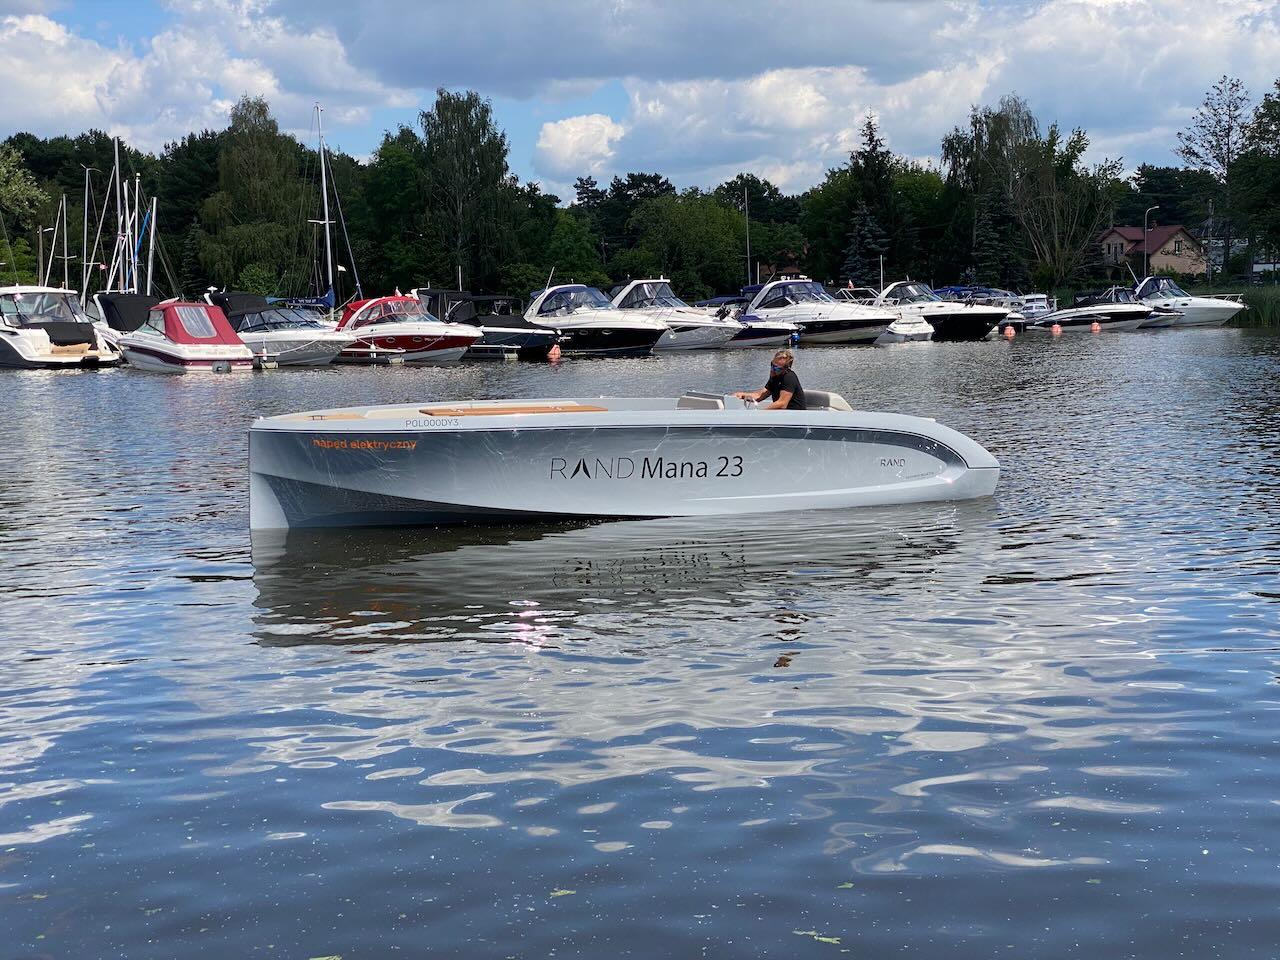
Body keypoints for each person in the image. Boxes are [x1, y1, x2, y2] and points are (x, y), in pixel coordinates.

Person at [734, 349, 806, 410]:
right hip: (782, 415)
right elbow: (759, 395)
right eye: (772, 365)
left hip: (794, 416)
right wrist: (741, 395)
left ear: (785, 369)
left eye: (777, 369)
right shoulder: (775, 377)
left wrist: (761, 414)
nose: (773, 370)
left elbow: (782, 404)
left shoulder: (789, 377)